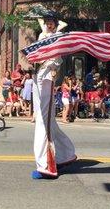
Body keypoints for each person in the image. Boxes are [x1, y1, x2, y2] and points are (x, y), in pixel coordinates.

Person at [31, 13, 76, 179]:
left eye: (52, 22)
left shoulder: (57, 38)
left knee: (44, 122)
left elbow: (57, 60)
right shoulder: (43, 36)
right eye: (47, 22)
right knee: (47, 121)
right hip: (38, 77)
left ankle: (46, 166)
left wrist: (53, 70)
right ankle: (66, 155)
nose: (49, 25)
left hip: (48, 77)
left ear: (55, 24)